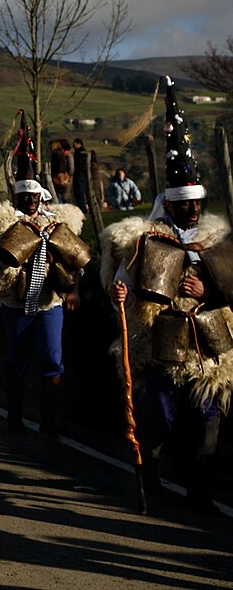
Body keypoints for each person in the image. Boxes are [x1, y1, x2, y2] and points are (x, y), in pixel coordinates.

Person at [100, 77, 231, 513]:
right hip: (159, 345)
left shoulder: (215, 239)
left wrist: (207, 289)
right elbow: (121, 280)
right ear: (169, 204)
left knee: (209, 418)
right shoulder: (146, 239)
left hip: (208, 345)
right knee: (162, 418)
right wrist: (120, 291)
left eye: (196, 204)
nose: (192, 211)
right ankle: (151, 476)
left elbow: (229, 286)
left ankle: (201, 492)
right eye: (184, 205)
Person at [0, 111, 89, 437]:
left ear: (42, 197)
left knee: (52, 359)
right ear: (17, 197)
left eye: (34, 197)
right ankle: (14, 417)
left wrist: (74, 290)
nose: (29, 201)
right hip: (14, 303)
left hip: (49, 303)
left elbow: (78, 260)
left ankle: (49, 422)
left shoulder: (58, 221)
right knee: (17, 360)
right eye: (24, 197)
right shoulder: (3, 224)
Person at [50, 139, 74, 204]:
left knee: (61, 194)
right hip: (62, 176)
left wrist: (64, 174)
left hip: (60, 176)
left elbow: (64, 166)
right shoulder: (61, 154)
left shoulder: (59, 154)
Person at [71, 138, 90, 210]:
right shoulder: (81, 152)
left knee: (80, 191)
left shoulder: (80, 153)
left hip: (79, 174)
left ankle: (82, 207)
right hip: (81, 174)